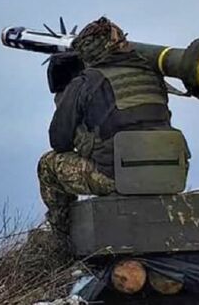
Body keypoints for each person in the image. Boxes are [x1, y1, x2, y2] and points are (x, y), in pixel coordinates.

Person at [37, 16, 181, 237]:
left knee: (47, 165)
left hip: (116, 178)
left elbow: (59, 140)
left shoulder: (85, 83)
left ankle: (62, 235)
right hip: (170, 173)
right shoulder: (152, 75)